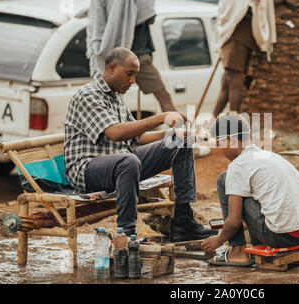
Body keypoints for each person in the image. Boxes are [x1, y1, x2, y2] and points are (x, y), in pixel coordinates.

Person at [64, 47, 217, 242]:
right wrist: (160, 117)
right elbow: (115, 133)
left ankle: (183, 222)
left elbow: (136, 138)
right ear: (111, 68)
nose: (133, 81)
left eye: (135, 75)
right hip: (86, 170)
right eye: (129, 74)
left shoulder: (116, 96)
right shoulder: (88, 95)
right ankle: (126, 233)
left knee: (181, 143)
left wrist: (171, 133)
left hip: (121, 164)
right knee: (128, 161)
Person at [201, 113, 299, 266]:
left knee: (223, 179)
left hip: (280, 236)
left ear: (229, 140)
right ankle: (256, 242)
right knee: (244, 188)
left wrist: (218, 240)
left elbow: (233, 221)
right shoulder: (269, 156)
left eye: (219, 143)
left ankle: (237, 251)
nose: (220, 150)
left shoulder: (238, 166)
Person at [87, 0, 176, 113]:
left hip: (120, 55)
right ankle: (178, 132)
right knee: (164, 97)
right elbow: (150, 18)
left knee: (111, 101)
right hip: (138, 56)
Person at [212, 0, 276, 117]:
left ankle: (233, 124)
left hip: (236, 36)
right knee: (227, 82)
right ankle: (212, 121)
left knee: (234, 81)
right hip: (236, 35)